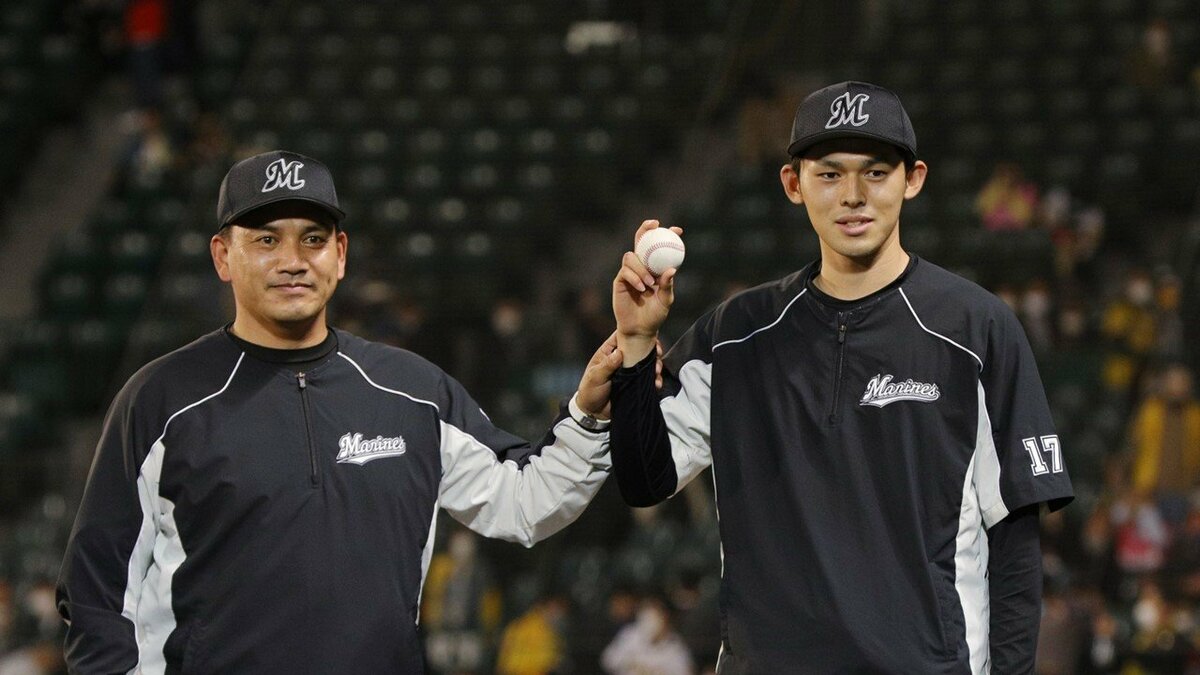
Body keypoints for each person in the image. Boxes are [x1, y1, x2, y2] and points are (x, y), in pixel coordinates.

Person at [56, 150, 626, 673]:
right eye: (265, 240)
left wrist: (590, 411)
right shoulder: (162, 400)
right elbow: (99, 595)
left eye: (312, 239)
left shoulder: (412, 391)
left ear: (341, 254)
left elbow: (523, 501)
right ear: (222, 256)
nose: (293, 261)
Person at [606, 81, 1075, 672]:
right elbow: (644, 480)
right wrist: (635, 343)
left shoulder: (976, 330)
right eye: (829, 174)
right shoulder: (735, 335)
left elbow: (1014, 545)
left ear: (914, 178)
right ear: (793, 184)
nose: (853, 195)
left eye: (875, 172)